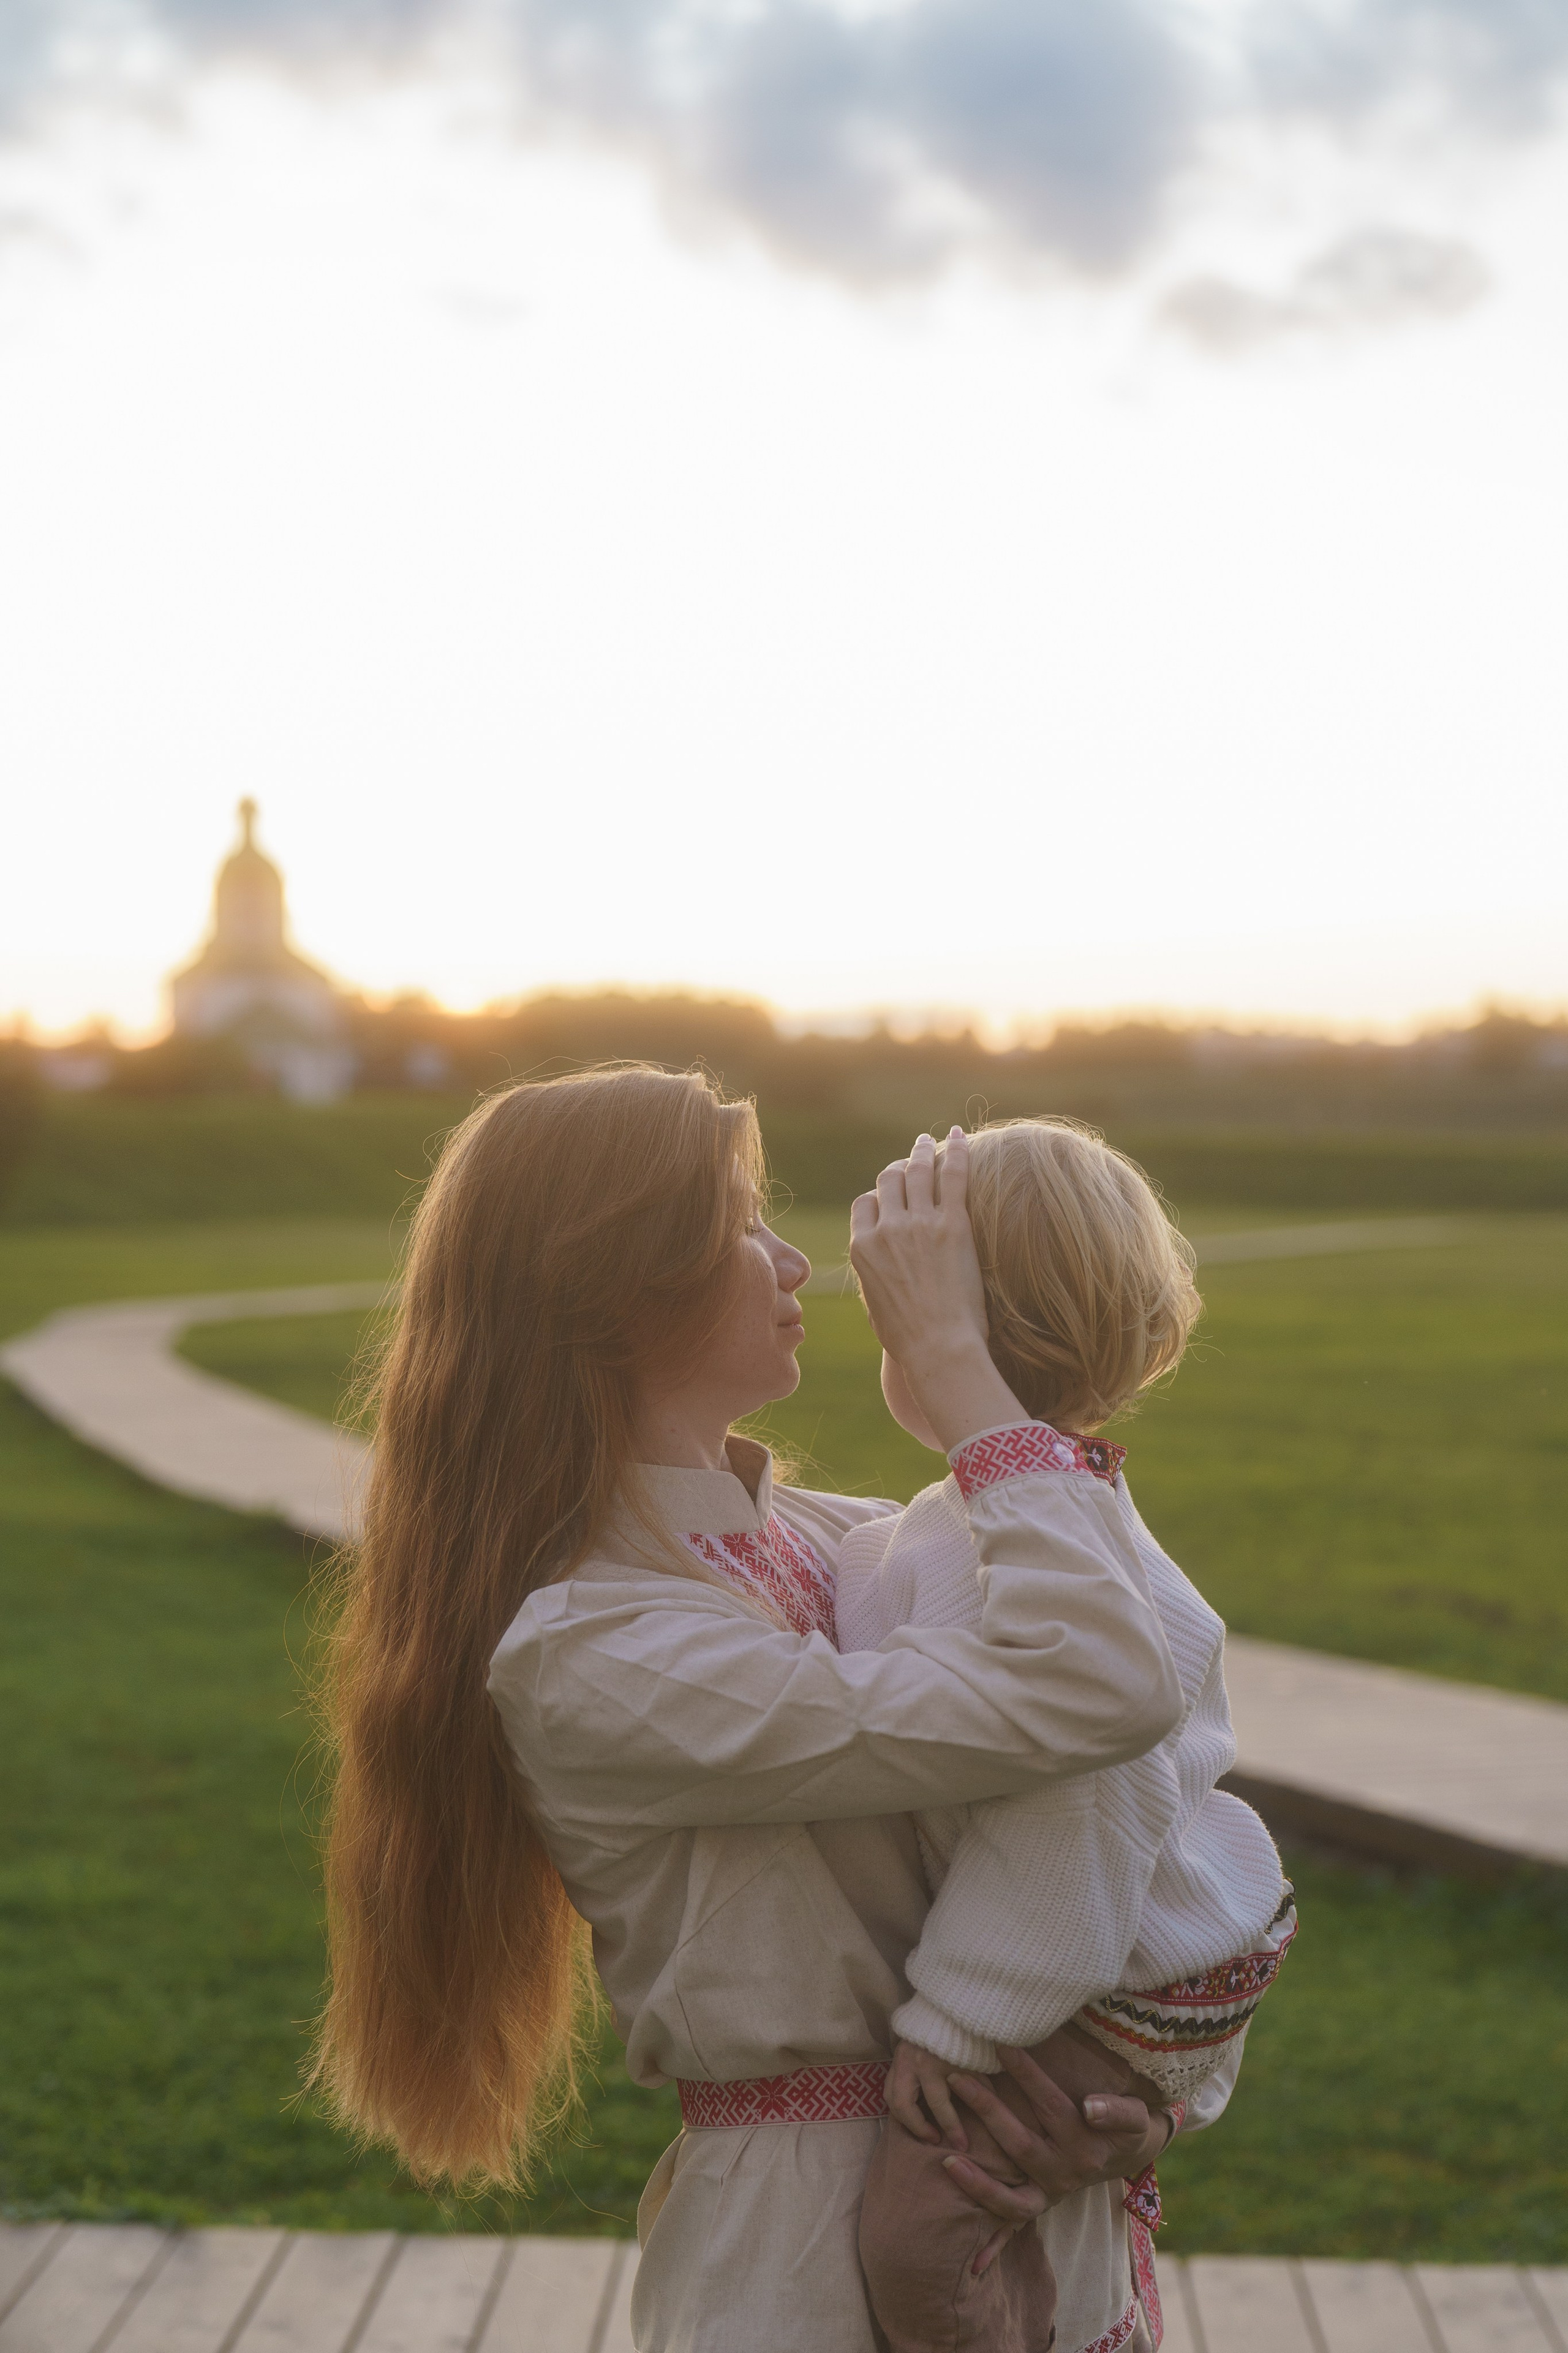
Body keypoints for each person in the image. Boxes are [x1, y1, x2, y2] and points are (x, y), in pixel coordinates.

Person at [309, 1067, 1189, 2352]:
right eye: (739, 1219)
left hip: (1017, 2192)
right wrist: (953, 1370)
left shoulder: (837, 1543)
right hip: (806, 2259)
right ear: (613, 1281)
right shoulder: (593, 1648)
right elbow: (1099, 1684)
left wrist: (1138, 2080)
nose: (793, 1260)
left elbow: (1141, 1725)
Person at [843, 1119, 1297, 2353]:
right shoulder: (1022, 1509)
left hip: (1120, 1961)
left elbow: (1072, 1826)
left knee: (914, 2233)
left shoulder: (997, 1551)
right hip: (1154, 1941)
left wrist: (953, 2018)